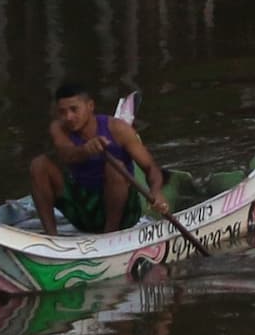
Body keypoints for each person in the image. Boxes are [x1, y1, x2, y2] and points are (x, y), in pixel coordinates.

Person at [29, 83, 170, 235]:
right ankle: (51, 238)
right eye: (62, 112)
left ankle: (110, 235)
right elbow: (66, 154)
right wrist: (86, 150)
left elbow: (151, 168)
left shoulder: (119, 129)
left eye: (74, 109)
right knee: (39, 165)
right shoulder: (58, 128)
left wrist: (156, 192)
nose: (68, 117)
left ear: (90, 106)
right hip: (84, 208)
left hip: (122, 215)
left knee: (115, 166)